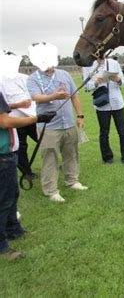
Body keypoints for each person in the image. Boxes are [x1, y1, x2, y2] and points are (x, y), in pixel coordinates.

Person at [26, 43, 88, 203]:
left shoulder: (64, 75)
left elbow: (75, 95)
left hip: (67, 123)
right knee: (49, 157)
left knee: (71, 154)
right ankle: (51, 190)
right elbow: (35, 97)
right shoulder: (33, 78)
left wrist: (80, 115)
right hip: (48, 127)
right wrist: (53, 97)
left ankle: (72, 181)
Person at [0, 91, 55, 261]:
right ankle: (2, 247)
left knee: (12, 195)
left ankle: (14, 230)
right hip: (2, 153)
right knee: (4, 200)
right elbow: (4, 121)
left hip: (7, 152)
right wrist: (36, 119)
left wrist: (17, 105)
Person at [0, 52, 38, 181]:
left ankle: (52, 164)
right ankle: (27, 172)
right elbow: (3, 106)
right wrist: (18, 104)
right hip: (16, 120)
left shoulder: (24, 77)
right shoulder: (1, 80)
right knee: (21, 147)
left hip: (32, 115)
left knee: (44, 141)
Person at [87, 56, 124, 164]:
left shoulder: (113, 63)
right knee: (104, 132)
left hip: (117, 103)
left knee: (122, 131)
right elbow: (88, 86)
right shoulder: (90, 66)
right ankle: (107, 157)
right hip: (102, 105)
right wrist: (96, 82)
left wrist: (118, 80)